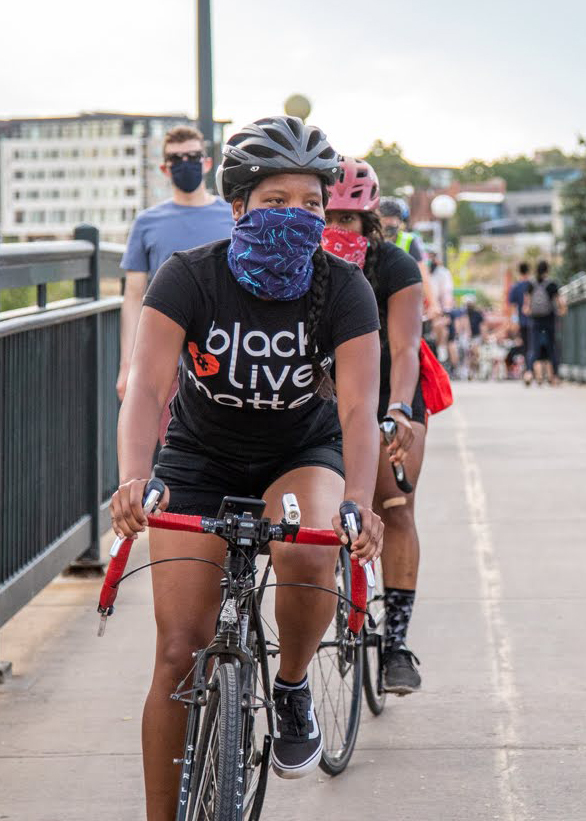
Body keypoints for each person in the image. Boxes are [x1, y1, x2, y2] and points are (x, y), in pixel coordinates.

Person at [110, 116, 384, 816]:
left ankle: (291, 684)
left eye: (312, 206)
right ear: (236, 208)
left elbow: (357, 409)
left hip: (300, 452)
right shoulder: (188, 278)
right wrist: (134, 475)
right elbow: (146, 387)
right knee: (177, 649)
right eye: (276, 202)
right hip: (200, 456)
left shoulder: (343, 288)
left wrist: (360, 498)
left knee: (311, 552)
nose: (298, 216)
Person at [322, 157, 425, 695]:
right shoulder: (295, 261)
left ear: (370, 221)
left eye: (348, 219)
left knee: (395, 504)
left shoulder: (394, 267)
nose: (336, 229)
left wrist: (400, 410)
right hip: (320, 396)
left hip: (388, 395)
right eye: (328, 216)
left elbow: (407, 347)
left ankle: (397, 644)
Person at [117, 124, 234, 442]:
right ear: (164, 168)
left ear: (207, 163)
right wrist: (128, 364)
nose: (185, 163)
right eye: (176, 158)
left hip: (227, 350)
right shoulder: (146, 222)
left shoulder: (233, 218)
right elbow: (133, 295)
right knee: (174, 445)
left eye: (193, 156)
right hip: (165, 354)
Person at [379, 196, 439, 318]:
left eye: (392, 218)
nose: (388, 222)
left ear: (400, 221)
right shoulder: (368, 240)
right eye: (384, 218)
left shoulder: (409, 241)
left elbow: (424, 274)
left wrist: (434, 304)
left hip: (403, 300)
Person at [523, 259, 565, 385]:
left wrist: (529, 311)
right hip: (549, 318)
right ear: (547, 270)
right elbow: (559, 302)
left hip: (535, 319)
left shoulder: (531, 284)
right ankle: (555, 376)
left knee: (533, 347)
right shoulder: (552, 284)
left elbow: (526, 306)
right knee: (552, 347)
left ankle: (529, 373)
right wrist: (562, 310)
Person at [508, 262, 533, 384]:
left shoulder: (515, 287)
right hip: (535, 321)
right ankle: (532, 370)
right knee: (534, 346)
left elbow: (513, 306)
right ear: (528, 271)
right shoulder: (532, 284)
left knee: (526, 347)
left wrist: (514, 321)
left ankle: (528, 370)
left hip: (522, 321)